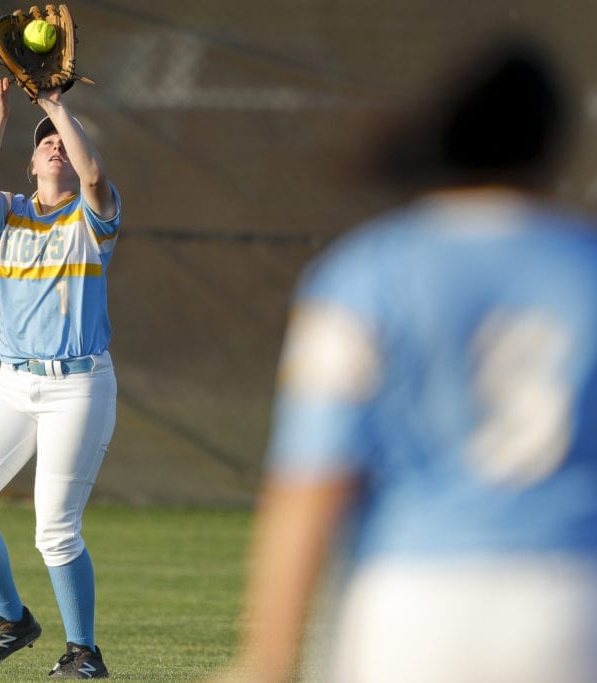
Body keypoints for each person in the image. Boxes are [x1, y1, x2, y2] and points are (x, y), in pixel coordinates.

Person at [229, 36, 597, 682]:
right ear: (552, 145)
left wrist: (267, 657)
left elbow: (311, 479)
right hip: (569, 601)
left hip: (406, 602)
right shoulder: (584, 263)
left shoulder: (364, 270)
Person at [0, 60, 120, 679]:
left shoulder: (91, 221)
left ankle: (83, 655)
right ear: (32, 166)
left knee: (55, 533)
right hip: (15, 385)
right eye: (45, 146)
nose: (56, 150)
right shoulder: (10, 214)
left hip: (78, 387)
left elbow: (93, 173)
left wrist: (55, 107)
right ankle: (12, 619)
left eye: (62, 144)